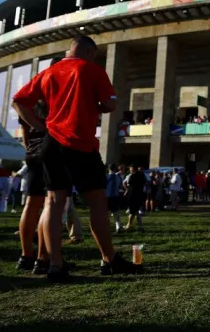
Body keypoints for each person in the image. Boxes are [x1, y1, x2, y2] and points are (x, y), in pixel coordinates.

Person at [12, 36, 140, 281]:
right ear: (91, 52)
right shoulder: (92, 70)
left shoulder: (49, 72)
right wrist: (99, 105)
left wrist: (41, 125)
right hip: (80, 143)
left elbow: (18, 101)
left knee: (52, 203)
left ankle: (55, 265)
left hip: (51, 144)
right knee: (97, 203)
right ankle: (108, 258)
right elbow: (110, 104)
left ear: (69, 50)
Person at [15, 100, 52, 273]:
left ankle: (25, 255)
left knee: (31, 203)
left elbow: (24, 130)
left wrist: (29, 149)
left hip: (32, 153)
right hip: (51, 150)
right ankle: (43, 257)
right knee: (50, 204)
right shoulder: (55, 100)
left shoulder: (29, 105)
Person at [124, 164, 146, 232]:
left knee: (133, 212)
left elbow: (130, 186)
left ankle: (130, 226)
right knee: (135, 211)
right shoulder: (142, 175)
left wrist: (126, 193)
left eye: (130, 169)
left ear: (132, 169)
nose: (129, 170)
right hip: (140, 195)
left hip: (133, 196)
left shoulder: (132, 176)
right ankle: (138, 226)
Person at [105, 164, 124, 233]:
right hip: (115, 196)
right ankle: (118, 226)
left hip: (107, 196)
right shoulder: (118, 177)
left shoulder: (106, 177)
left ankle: (106, 227)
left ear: (108, 169)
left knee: (105, 213)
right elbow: (120, 186)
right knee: (116, 213)